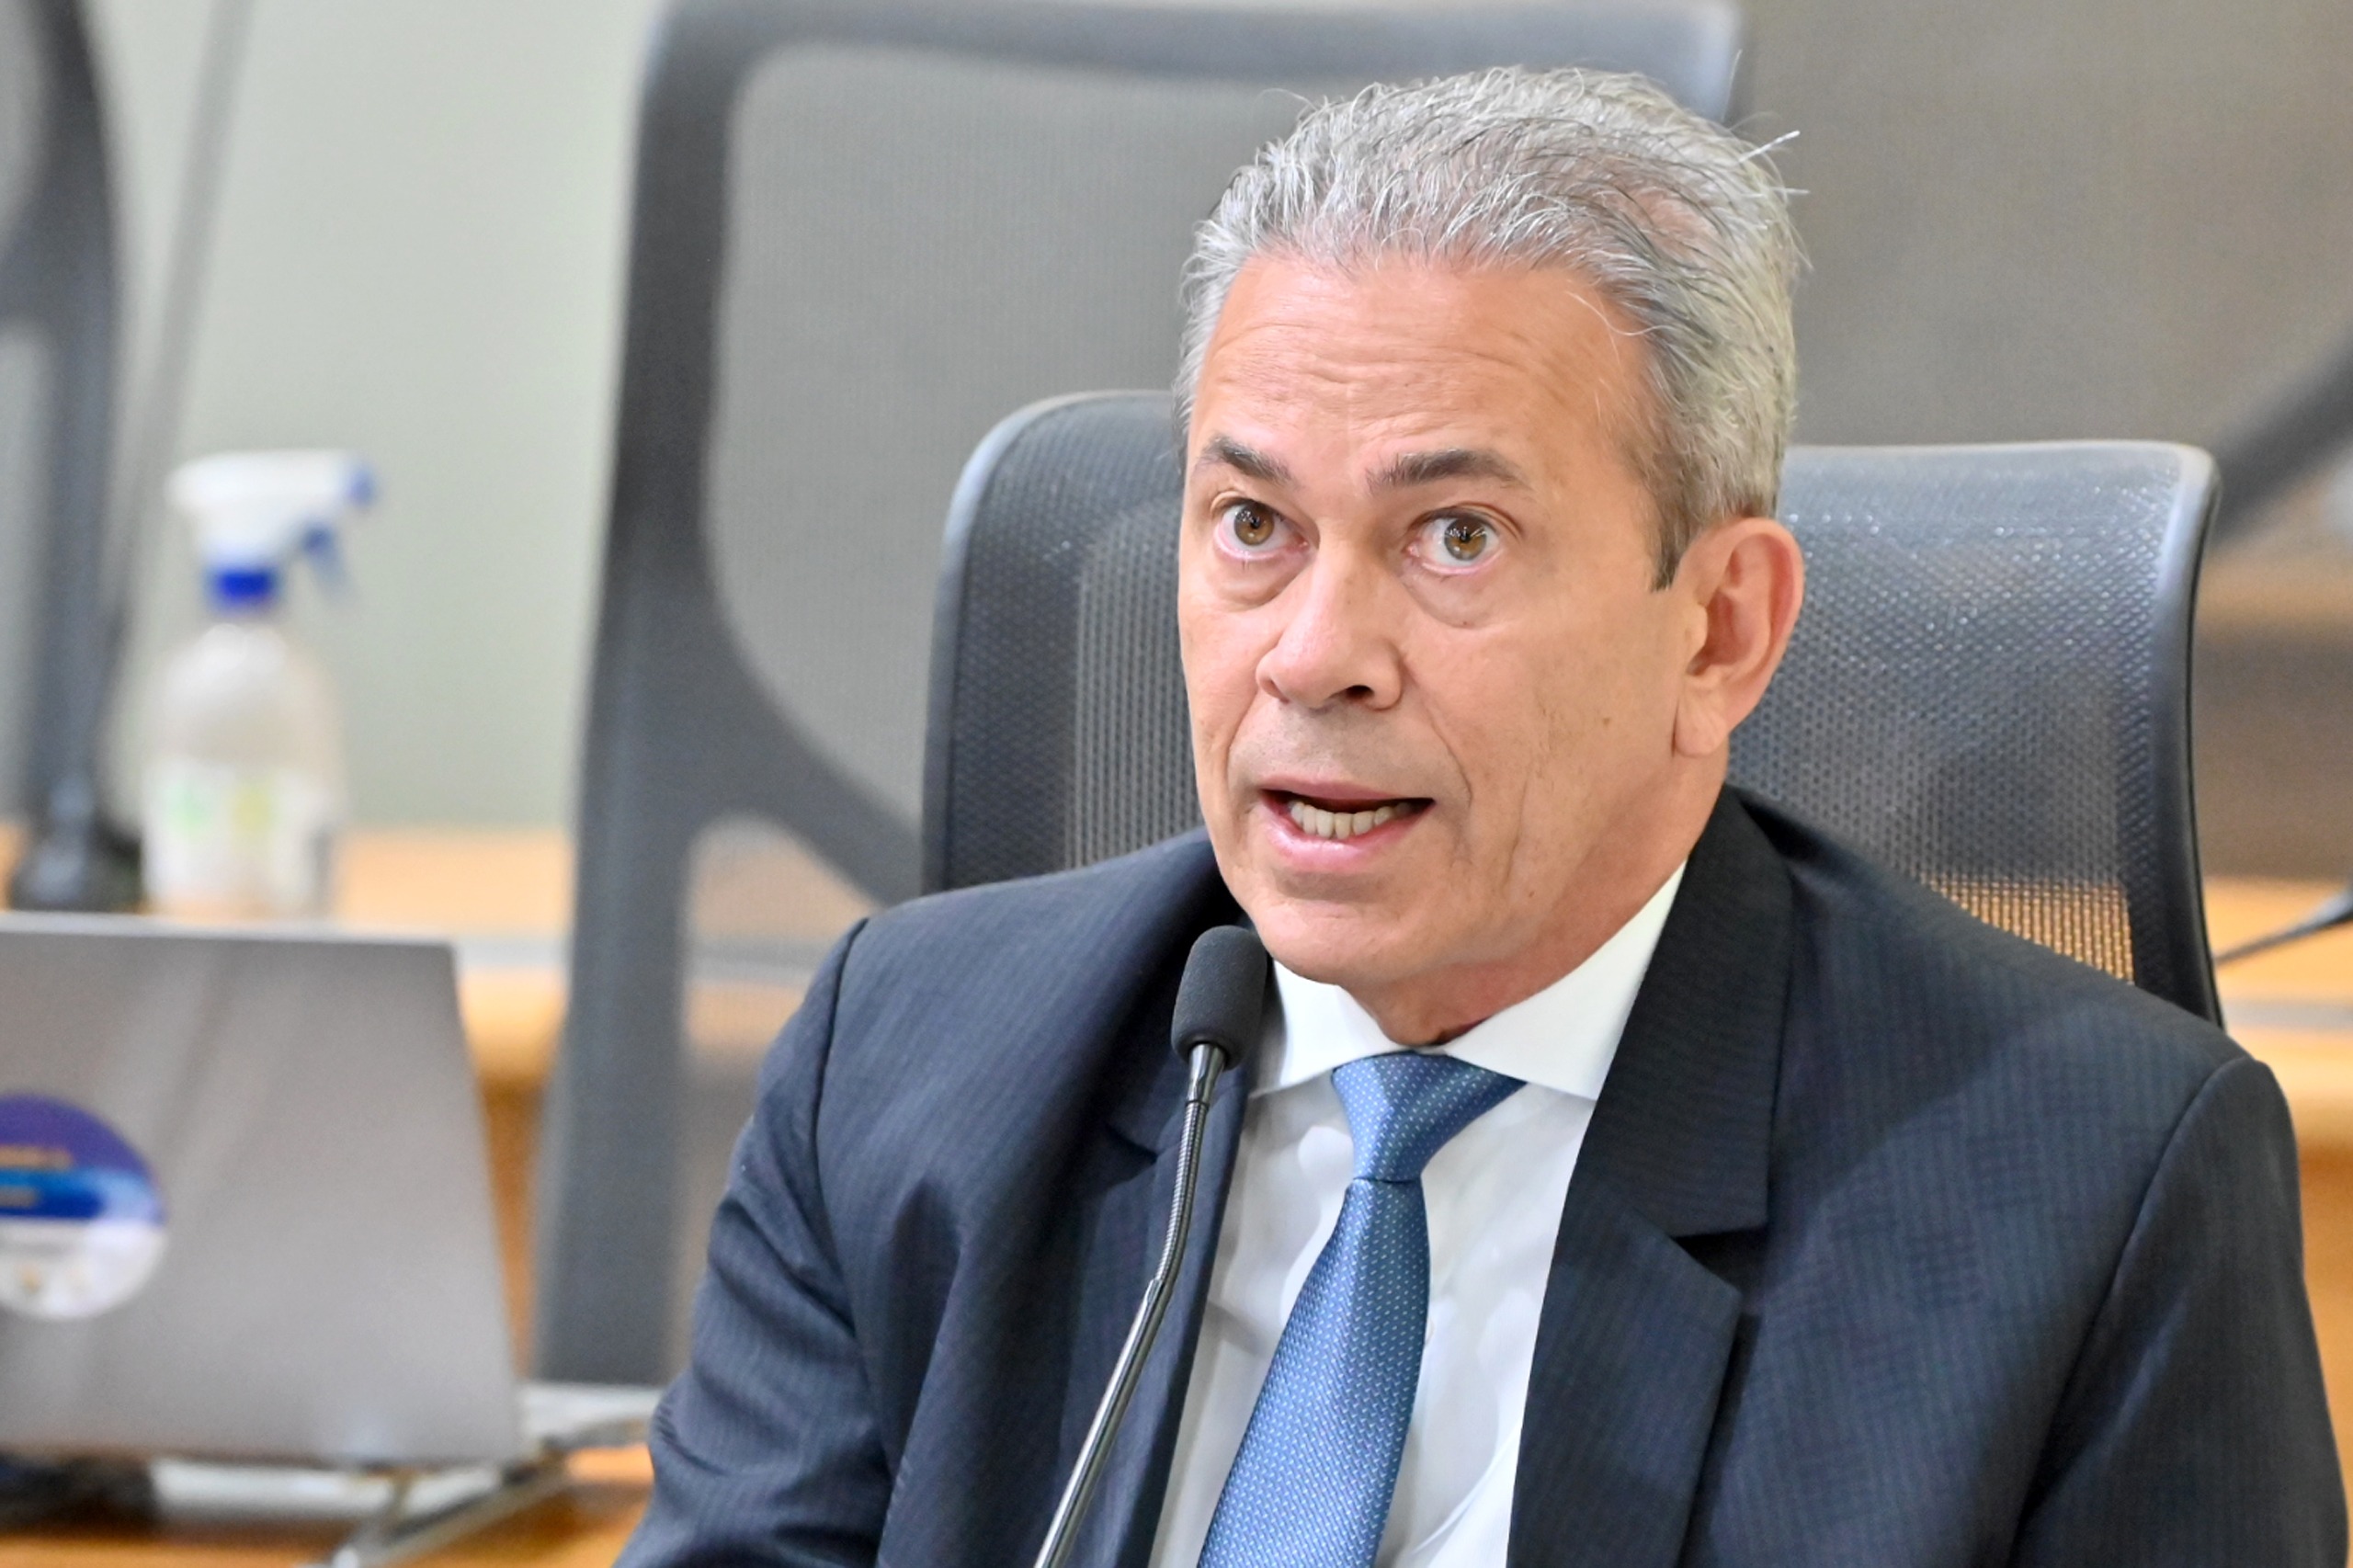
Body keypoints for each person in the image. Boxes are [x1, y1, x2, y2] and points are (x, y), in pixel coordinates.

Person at [620, 68, 2343, 1567]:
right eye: (1251, 525)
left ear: (1720, 630)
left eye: (1456, 538)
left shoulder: (2083, 1200)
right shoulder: (905, 1073)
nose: (1316, 655)